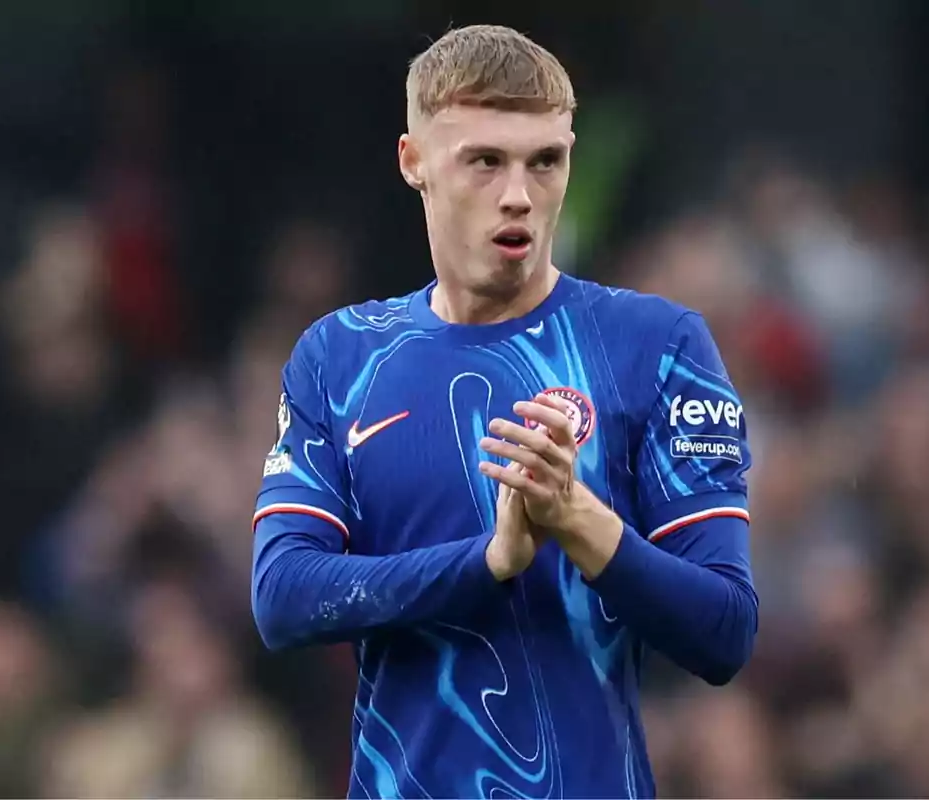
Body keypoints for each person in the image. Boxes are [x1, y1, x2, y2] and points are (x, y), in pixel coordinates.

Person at [251, 24, 758, 798]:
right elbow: (282, 596)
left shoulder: (654, 345)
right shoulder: (341, 356)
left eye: (544, 161)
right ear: (413, 162)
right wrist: (488, 561)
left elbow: (724, 630)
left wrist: (579, 522)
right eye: (484, 160)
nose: (518, 194)